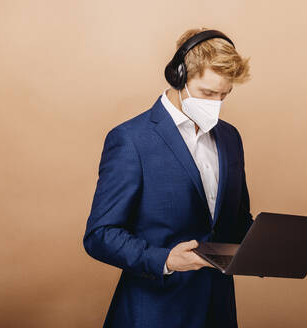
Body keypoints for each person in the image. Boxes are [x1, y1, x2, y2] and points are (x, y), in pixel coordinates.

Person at [83, 27, 253, 328]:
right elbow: (100, 235)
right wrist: (165, 260)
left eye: (224, 95)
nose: (216, 103)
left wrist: (271, 243)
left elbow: (236, 221)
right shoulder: (130, 139)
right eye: (207, 93)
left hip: (219, 311)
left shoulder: (230, 138)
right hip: (154, 313)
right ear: (178, 77)